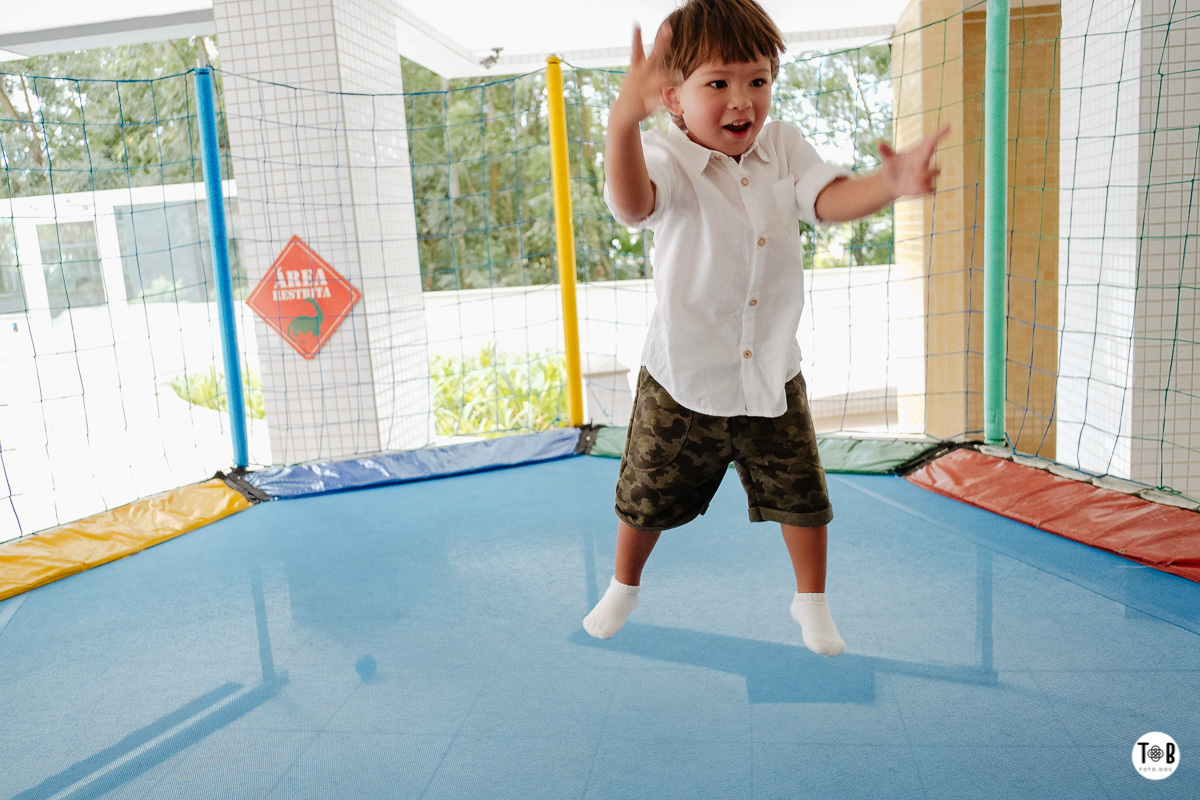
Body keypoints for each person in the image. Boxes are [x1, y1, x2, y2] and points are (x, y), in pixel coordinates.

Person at [582, 0, 948, 656]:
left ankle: (811, 602)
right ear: (673, 97)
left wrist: (888, 183)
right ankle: (624, 584)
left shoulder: (782, 148)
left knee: (803, 493)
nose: (741, 100)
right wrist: (620, 124)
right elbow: (633, 204)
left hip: (770, 370)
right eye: (717, 83)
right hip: (683, 377)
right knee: (645, 494)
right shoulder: (664, 157)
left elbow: (827, 201)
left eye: (758, 80)